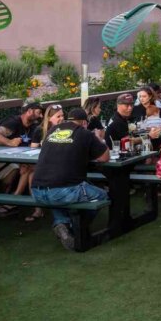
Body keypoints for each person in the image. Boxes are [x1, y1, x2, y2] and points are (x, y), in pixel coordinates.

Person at [30, 107, 110, 250]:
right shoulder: (85, 133)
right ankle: (75, 227)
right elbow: (105, 157)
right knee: (102, 195)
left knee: (58, 194)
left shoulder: (52, 131)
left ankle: (61, 224)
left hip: (36, 192)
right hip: (62, 192)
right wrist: (98, 138)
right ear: (84, 123)